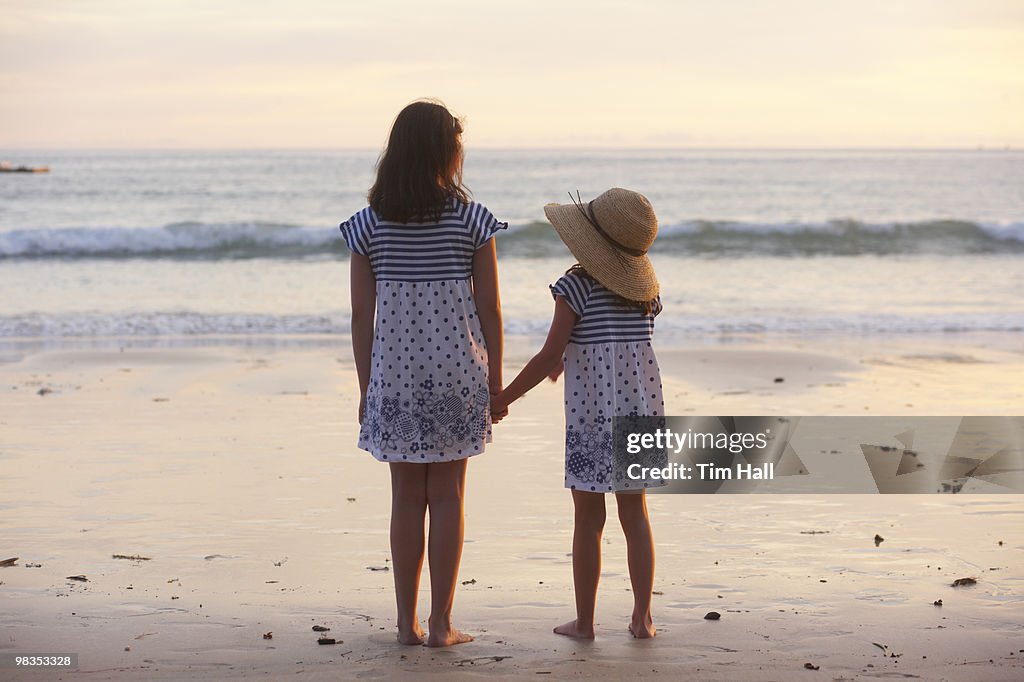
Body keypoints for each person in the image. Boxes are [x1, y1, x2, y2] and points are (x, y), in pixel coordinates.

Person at [340, 99, 506, 647]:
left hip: (396, 374)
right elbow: (491, 311)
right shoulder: (473, 221)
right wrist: (497, 382)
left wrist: (368, 388)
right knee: (450, 495)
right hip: (460, 371)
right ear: (444, 152)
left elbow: (362, 315)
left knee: (406, 496)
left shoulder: (368, 226)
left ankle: (405, 623)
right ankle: (441, 624)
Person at [491, 187, 664, 640]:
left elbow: (551, 354)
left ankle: (585, 622)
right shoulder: (646, 297)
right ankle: (642, 619)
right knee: (635, 515)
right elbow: (619, 347)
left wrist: (504, 396)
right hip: (640, 414)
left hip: (592, 418)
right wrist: (572, 356)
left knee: (588, 519)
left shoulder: (574, 287)